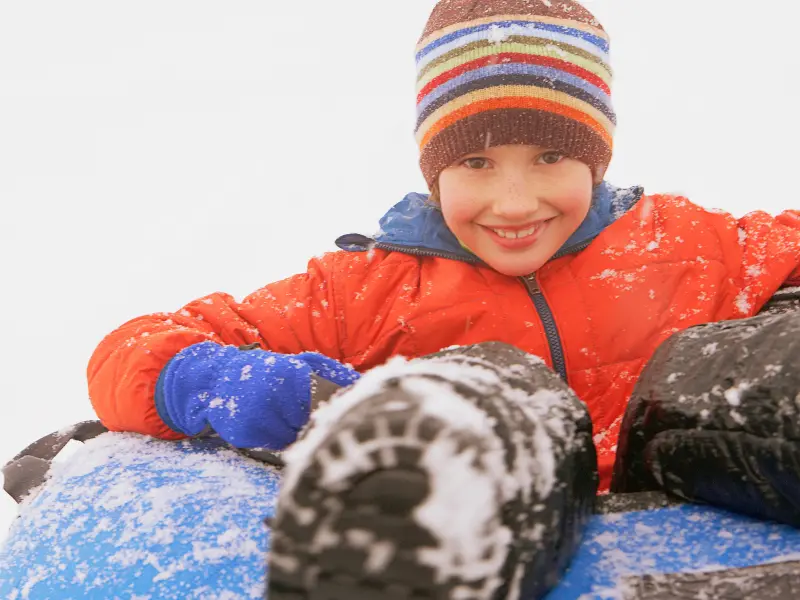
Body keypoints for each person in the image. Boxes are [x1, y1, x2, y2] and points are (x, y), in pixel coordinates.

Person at [87, 0, 800, 597]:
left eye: (551, 157)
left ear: (596, 155)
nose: (513, 201)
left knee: (748, 358)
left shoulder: (682, 242)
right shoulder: (368, 289)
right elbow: (133, 350)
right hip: (498, 484)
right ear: (433, 167)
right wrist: (257, 389)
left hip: (701, 459)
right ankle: (413, 506)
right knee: (472, 394)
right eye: (476, 162)